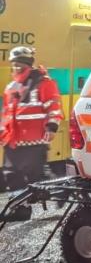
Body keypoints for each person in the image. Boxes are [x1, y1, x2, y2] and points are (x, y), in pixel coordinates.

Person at [0, 47, 63, 211]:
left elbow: (54, 108)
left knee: (38, 179)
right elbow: (6, 114)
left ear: (28, 65)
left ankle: (61, 191)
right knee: (11, 176)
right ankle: (20, 209)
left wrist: (52, 126)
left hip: (34, 142)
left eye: (19, 65)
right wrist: (2, 133)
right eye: (13, 65)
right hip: (12, 142)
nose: (15, 68)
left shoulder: (44, 84)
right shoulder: (11, 87)